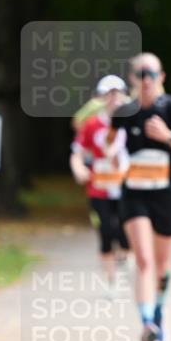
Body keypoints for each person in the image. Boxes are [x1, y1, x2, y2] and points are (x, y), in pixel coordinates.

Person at [112, 53, 171, 341]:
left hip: (165, 195)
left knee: (163, 266)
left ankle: (159, 313)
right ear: (132, 79)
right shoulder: (123, 111)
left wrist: (168, 137)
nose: (146, 79)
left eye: (151, 73)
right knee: (143, 259)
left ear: (161, 77)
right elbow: (105, 148)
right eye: (140, 74)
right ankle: (146, 323)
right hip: (134, 194)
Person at [69, 75, 130, 288]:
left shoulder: (133, 121)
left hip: (126, 188)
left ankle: (128, 269)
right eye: (108, 93)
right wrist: (79, 168)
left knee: (125, 232)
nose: (114, 98)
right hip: (99, 187)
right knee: (105, 232)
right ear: (100, 97)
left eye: (117, 93)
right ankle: (111, 280)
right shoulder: (92, 124)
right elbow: (77, 152)